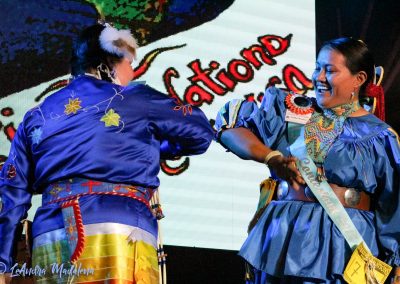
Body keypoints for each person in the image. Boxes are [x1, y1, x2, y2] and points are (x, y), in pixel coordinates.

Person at [0, 23, 214, 283]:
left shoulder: (36, 116)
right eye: (129, 63)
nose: (132, 72)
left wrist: (4, 263)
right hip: (117, 229)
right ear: (108, 63)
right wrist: (155, 147)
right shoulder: (136, 98)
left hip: (51, 235)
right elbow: (201, 132)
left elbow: (12, 195)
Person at [214, 37, 400, 283]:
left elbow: (393, 209)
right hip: (286, 236)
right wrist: (271, 157)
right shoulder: (292, 111)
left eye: (330, 70)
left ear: (359, 79)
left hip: (345, 244)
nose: (319, 77)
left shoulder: (380, 137)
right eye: (317, 68)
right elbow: (229, 130)